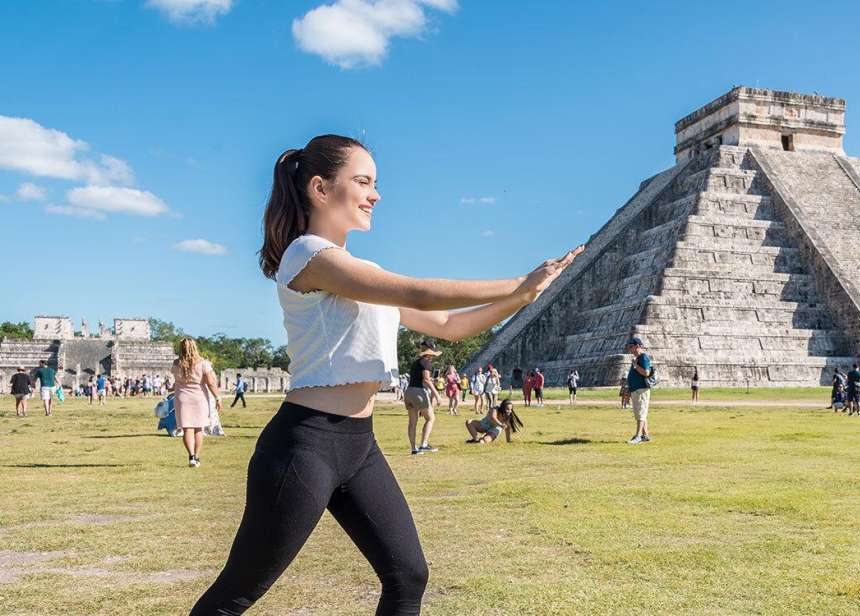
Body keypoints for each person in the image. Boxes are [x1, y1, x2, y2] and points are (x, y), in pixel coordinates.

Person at [191, 136, 582, 615]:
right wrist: (516, 281)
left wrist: (524, 297)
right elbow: (420, 294)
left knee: (407, 576)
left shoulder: (359, 268)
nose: (375, 194)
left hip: (359, 446)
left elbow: (447, 325)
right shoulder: (307, 256)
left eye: (376, 183)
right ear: (319, 187)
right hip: (305, 445)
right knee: (237, 593)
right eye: (363, 181)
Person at [170, 338, 222, 467]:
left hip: (182, 398)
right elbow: (210, 382)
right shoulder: (203, 363)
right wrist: (217, 397)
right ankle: (197, 456)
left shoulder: (176, 363)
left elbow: (175, 382)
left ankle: (191, 456)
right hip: (198, 398)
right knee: (199, 428)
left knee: (187, 428)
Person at [405, 339, 441, 455]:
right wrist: (437, 394)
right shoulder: (426, 362)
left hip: (409, 392)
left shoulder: (416, 362)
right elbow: (426, 379)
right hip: (418, 392)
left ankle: (413, 449)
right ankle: (424, 445)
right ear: (430, 353)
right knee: (430, 418)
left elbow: (420, 379)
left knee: (412, 422)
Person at [625, 336, 653, 444]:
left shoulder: (643, 357)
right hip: (636, 389)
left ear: (637, 346)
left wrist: (636, 366)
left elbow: (646, 373)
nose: (629, 349)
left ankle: (638, 436)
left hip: (642, 389)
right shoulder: (636, 359)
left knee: (641, 413)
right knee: (640, 413)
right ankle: (645, 435)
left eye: (631, 347)